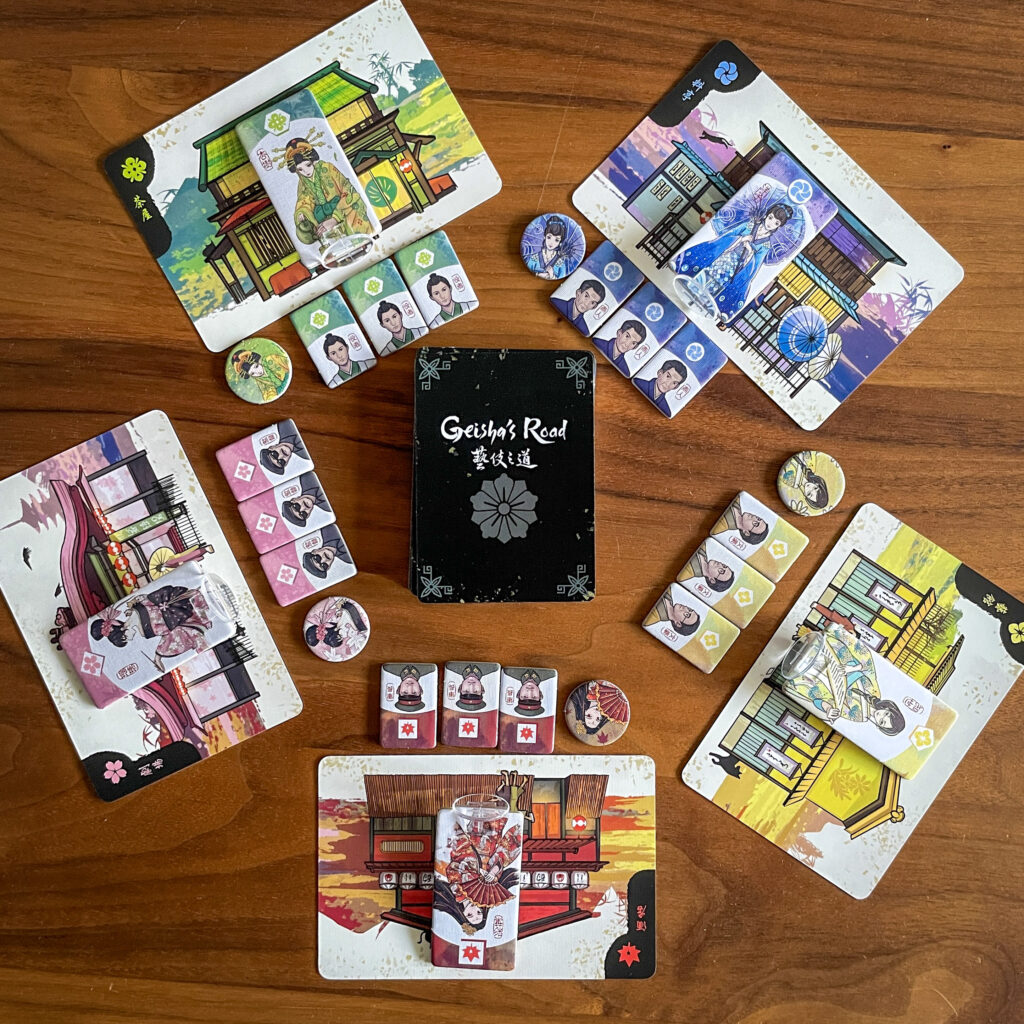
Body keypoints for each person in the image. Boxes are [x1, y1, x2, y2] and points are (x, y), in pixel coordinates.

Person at [674, 200, 794, 318]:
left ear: (779, 226)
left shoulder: (766, 245)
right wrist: (741, 239)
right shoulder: (750, 225)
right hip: (725, 256)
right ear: (767, 215)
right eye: (771, 217)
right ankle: (691, 291)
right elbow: (729, 234)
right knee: (710, 273)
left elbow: (755, 267)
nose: (770, 223)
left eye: (776, 223)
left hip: (736, 267)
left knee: (719, 282)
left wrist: (750, 251)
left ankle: (702, 303)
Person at [782, 626, 906, 736]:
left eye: (882, 722)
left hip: (821, 680)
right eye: (886, 714)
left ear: (879, 726)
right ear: (889, 709)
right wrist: (852, 668)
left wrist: (828, 709)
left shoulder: (859, 717)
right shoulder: (875, 693)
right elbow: (867, 667)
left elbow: (828, 703)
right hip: (838, 660)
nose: (881, 715)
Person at [287, 137, 374, 248]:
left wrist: (335, 218)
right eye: (300, 169)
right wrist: (302, 212)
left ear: (313, 161)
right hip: (324, 218)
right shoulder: (303, 182)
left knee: (354, 211)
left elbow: (348, 191)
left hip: (344, 208)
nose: (306, 172)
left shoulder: (328, 168)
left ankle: (362, 242)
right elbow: (304, 200)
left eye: (308, 165)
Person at [524, 215, 578, 279]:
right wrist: (539, 275)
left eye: (556, 240)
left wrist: (552, 275)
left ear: (560, 242)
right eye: (549, 237)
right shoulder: (534, 258)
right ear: (544, 237)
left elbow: (562, 278)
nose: (551, 242)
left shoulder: (561, 264)